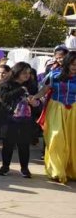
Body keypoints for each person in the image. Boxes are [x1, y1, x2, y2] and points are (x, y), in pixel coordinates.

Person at [36, 51, 76, 183]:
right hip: (56, 108)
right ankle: (56, 170)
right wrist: (34, 97)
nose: (74, 67)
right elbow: (44, 90)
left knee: (73, 140)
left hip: (74, 109)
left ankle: (71, 170)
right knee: (56, 137)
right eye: (72, 64)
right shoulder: (54, 75)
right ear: (67, 64)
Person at [0, 62, 42, 178]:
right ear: (17, 72)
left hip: (26, 119)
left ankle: (24, 168)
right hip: (9, 118)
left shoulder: (31, 85)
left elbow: (38, 101)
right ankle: (5, 166)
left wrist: (35, 102)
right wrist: (20, 90)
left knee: (24, 145)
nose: (27, 75)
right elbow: (4, 98)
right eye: (24, 73)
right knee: (8, 144)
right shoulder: (6, 84)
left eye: (28, 73)